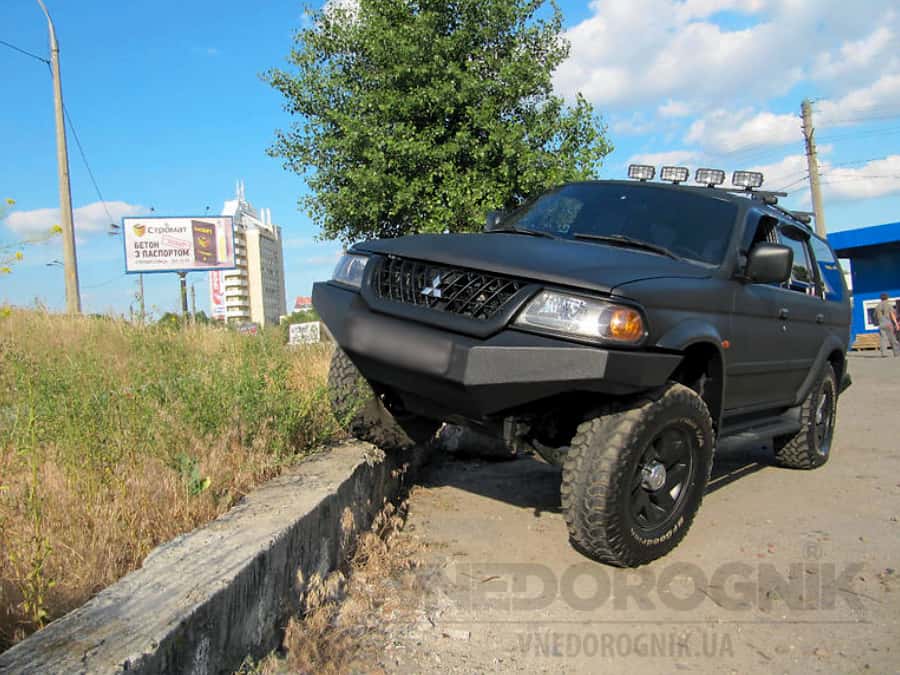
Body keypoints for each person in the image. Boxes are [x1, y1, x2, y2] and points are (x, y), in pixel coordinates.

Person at [875, 292, 900, 357]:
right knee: (893, 338)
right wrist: (896, 324)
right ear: (887, 297)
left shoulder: (877, 307)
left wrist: (877, 323)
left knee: (883, 339)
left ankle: (884, 354)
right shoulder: (888, 305)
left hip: (881, 324)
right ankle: (896, 353)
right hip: (889, 324)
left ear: (880, 298)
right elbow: (892, 314)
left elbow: (874, 316)